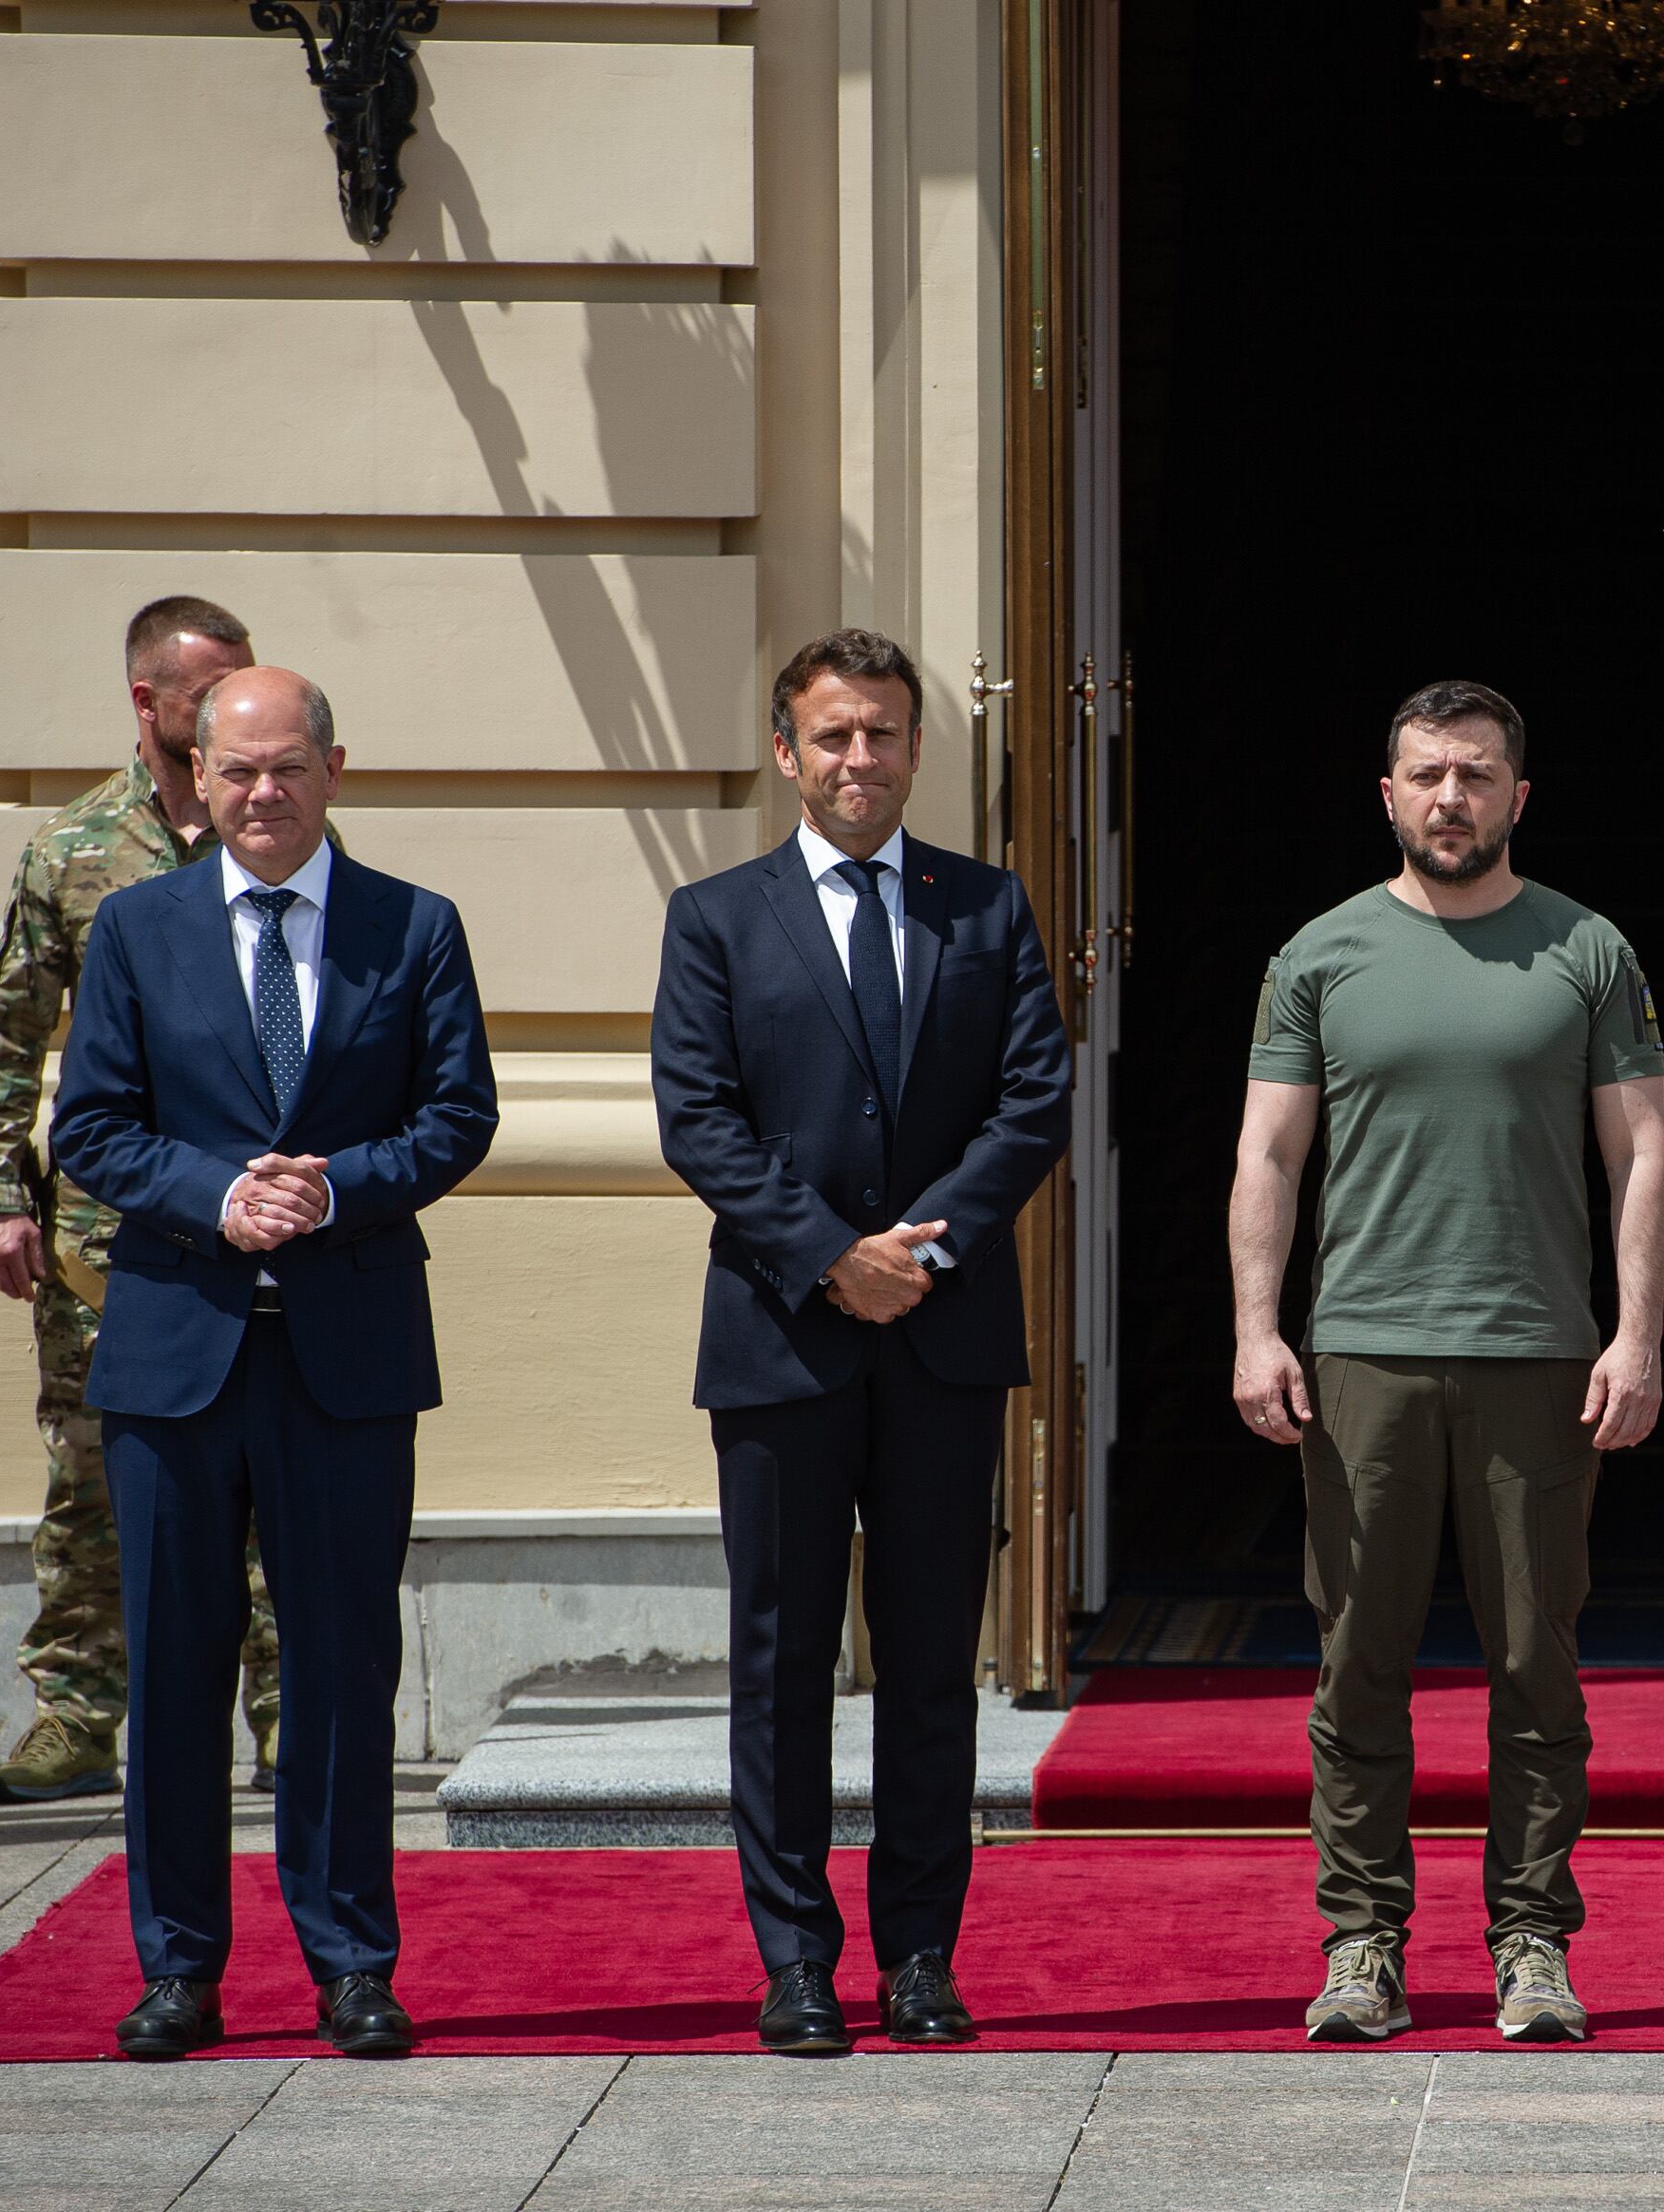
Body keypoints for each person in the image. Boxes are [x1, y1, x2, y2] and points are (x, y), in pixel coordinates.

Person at [55, 667, 497, 2060]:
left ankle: (352, 1960)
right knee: (176, 1673)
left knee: (341, 1670)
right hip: (175, 1352)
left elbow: (459, 1111)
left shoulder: (412, 926)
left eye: (286, 767)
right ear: (196, 771)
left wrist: (336, 1185)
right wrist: (212, 1192)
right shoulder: (136, 928)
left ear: (333, 768)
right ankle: (179, 1966)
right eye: (232, 769)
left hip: (345, 1357)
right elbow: (91, 1128)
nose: (260, 793)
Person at [1231, 679, 1664, 2047]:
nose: (1450, 798)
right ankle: (1362, 1939)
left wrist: (1637, 1330)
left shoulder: (1587, 949)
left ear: (1518, 796)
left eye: (1477, 775)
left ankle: (1531, 1941)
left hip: (1536, 1355)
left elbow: (1641, 1151)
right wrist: (1257, 1327)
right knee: (1358, 1656)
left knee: (1537, 1661)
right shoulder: (1321, 953)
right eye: (1426, 774)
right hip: (1361, 1354)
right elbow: (1268, 1154)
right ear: (1387, 792)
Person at [651, 628, 1071, 2055]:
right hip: (782, 1341)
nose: (859, 760)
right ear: (787, 751)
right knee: (779, 1661)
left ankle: (921, 1956)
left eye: (883, 734)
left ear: (911, 749)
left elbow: (1032, 1104)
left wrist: (920, 1252)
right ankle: (792, 1960)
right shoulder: (716, 918)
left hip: (943, 1343)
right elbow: (697, 1118)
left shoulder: (989, 909)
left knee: (932, 1659)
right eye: (832, 736)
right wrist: (833, 1256)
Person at [0, 596, 285, 1805]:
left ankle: (280, 1707)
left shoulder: (278, 830)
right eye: (206, 696)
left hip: (260, 1229)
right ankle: (78, 1712)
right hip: (110, 1243)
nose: (231, 719)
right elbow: (6, 1038)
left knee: (272, 1475)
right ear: (147, 703)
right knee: (89, 1480)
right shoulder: (75, 848)